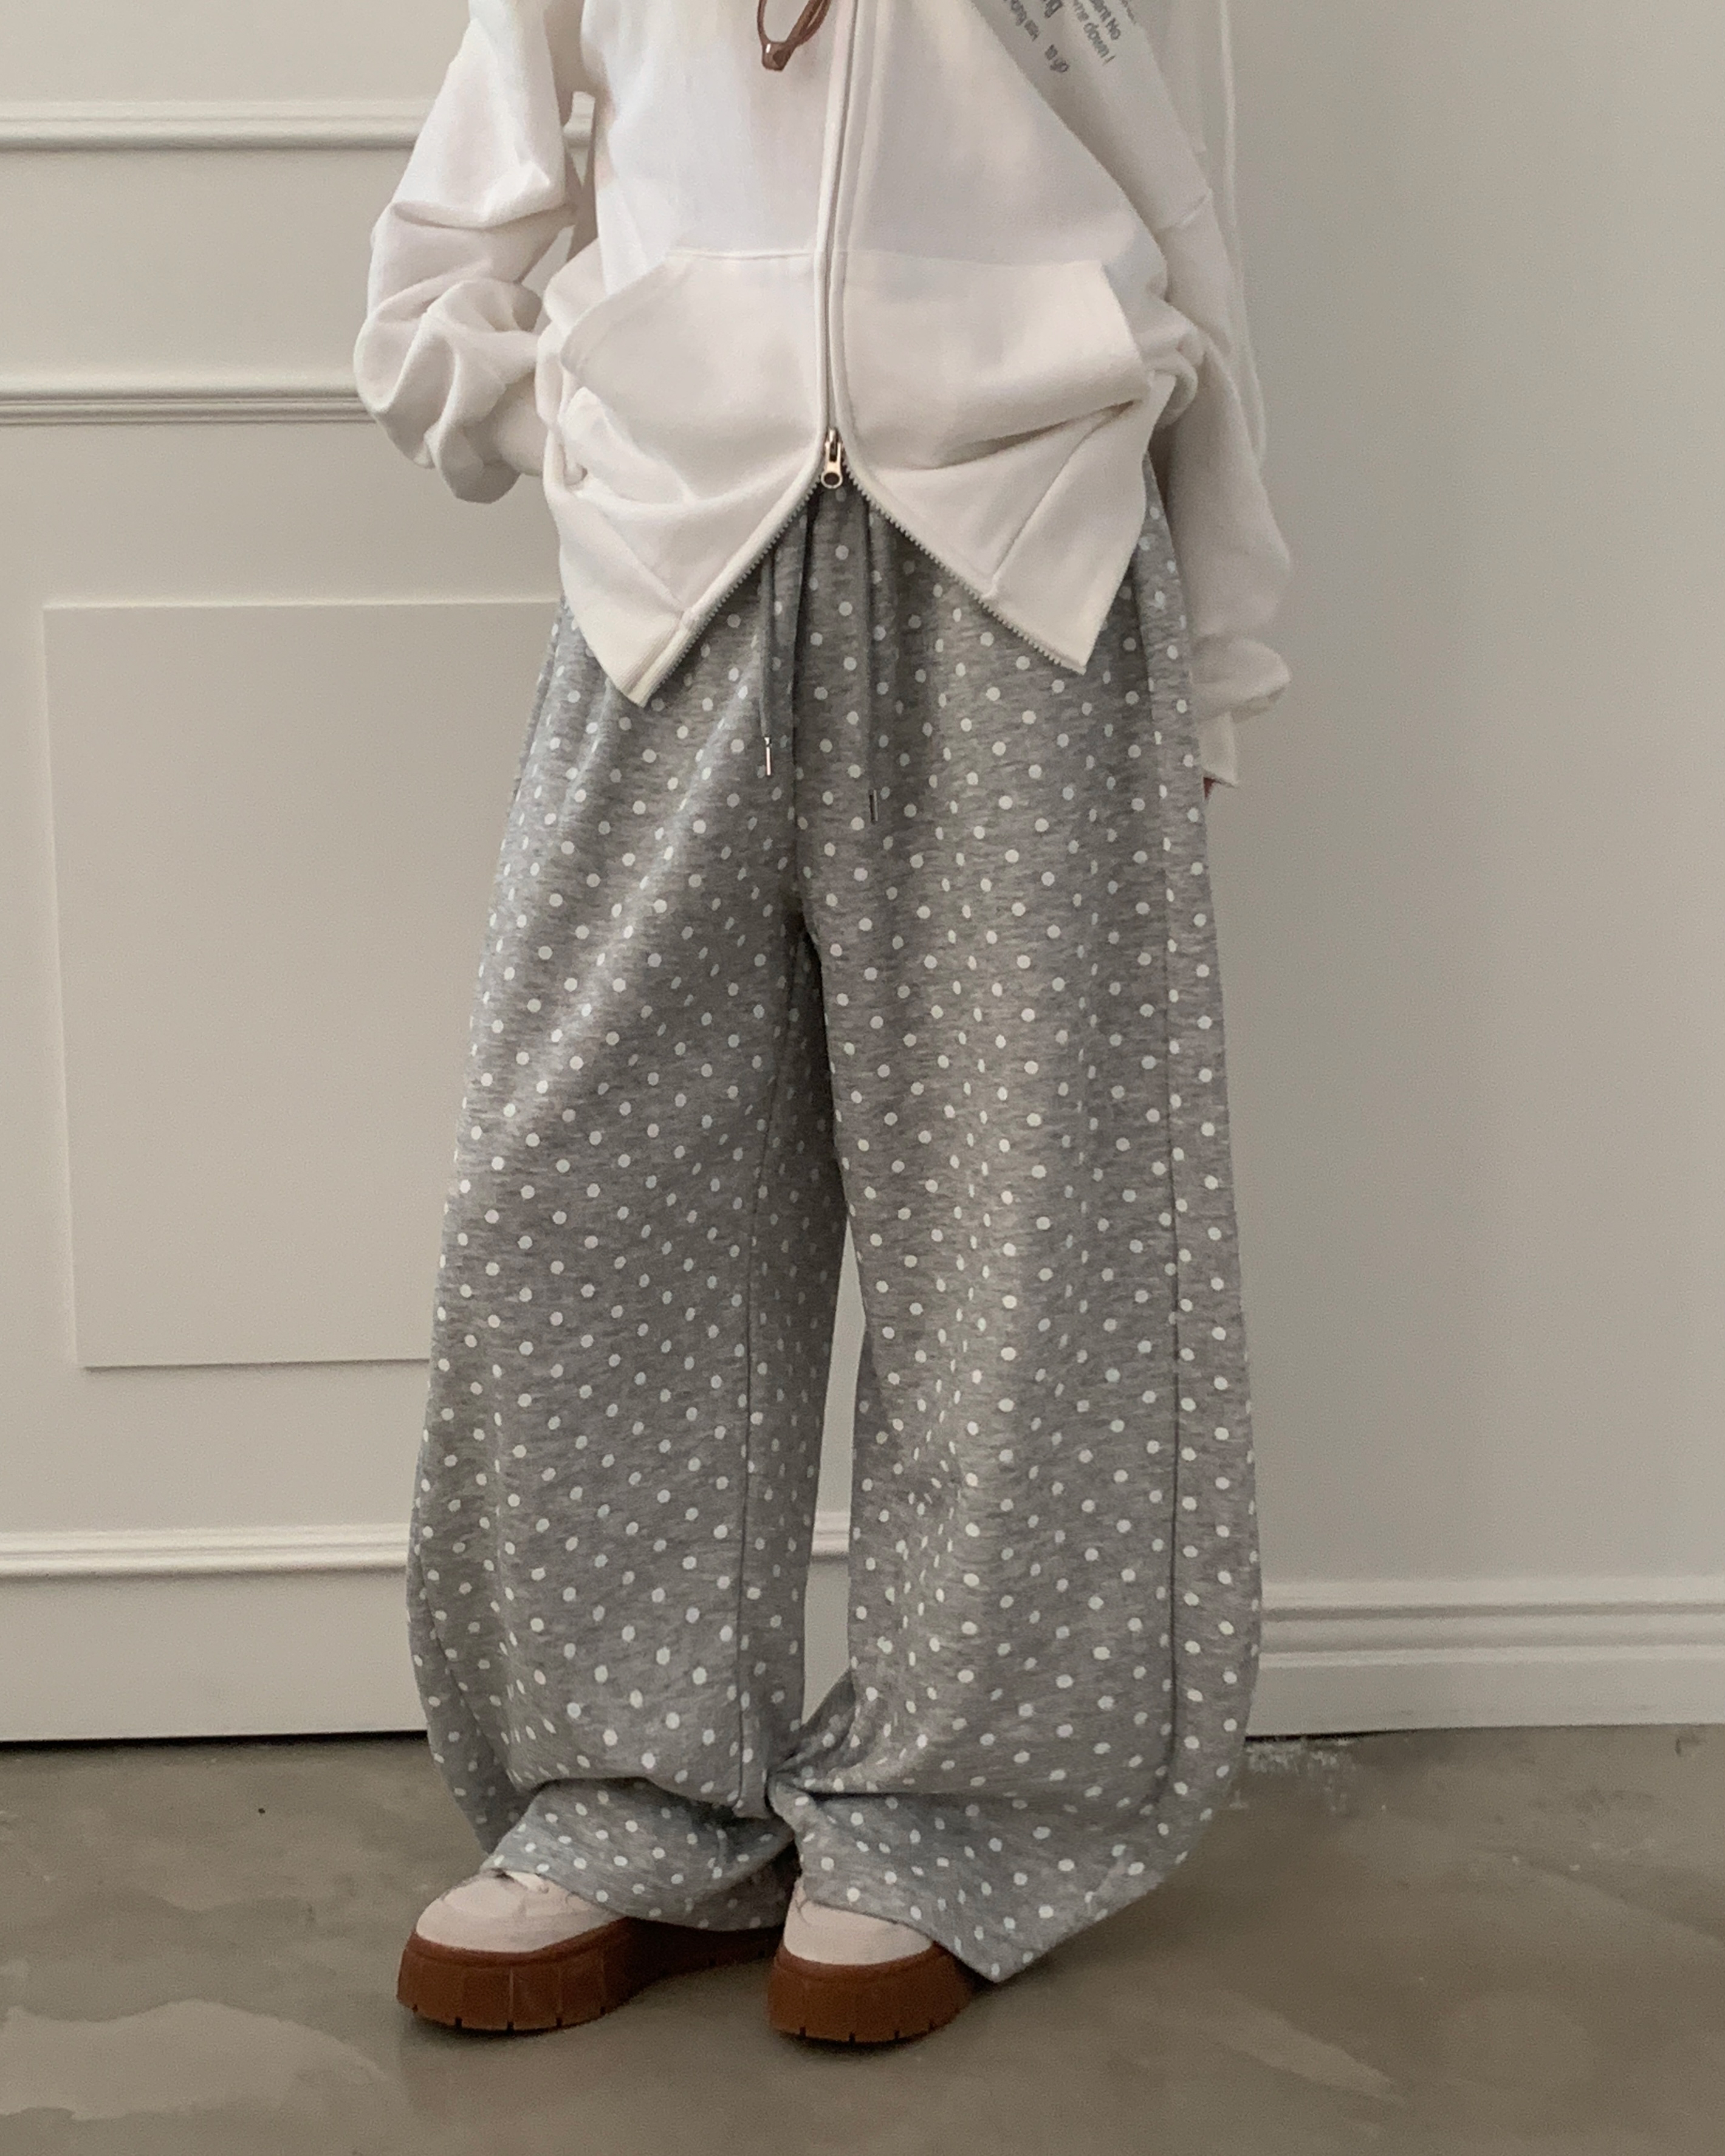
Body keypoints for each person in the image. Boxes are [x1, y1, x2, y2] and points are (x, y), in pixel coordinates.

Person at [354, 0, 1291, 2047]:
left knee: (1025, 1222)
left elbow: (1188, 215)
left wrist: (1223, 637)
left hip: (1027, 568)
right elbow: (451, 239)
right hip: (673, 572)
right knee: (584, 1189)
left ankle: (955, 1807)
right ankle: (628, 1793)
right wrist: (572, 406)